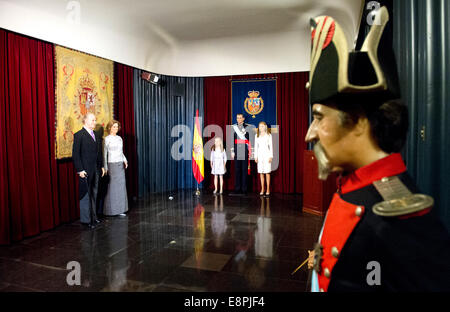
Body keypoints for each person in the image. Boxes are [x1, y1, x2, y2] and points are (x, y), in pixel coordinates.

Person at [304, 6, 450, 291]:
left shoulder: (400, 223)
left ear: (359, 122)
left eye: (319, 117)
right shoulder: (353, 184)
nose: (310, 134)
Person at [72, 113, 106, 228]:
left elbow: (99, 153)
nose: (94, 122)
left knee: (94, 194)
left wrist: (101, 166)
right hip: (85, 171)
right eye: (92, 120)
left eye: (95, 120)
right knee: (86, 195)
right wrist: (80, 170)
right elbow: (75, 155)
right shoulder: (79, 135)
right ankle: (86, 221)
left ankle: (94, 217)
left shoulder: (96, 135)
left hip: (96, 169)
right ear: (85, 121)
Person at [103, 120, 129, 217]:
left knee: (121, 187)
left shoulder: (119, 138)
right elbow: (104, 154)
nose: (116, 128)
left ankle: (121, 209)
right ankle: (111, 211)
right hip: (112, 165)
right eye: (114, 127)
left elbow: (120, 151)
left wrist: (125, 160)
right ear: (109, 128)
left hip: (119, 164)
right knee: (113, 188)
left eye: (117, 127)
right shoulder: (107, 139)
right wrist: (105, 167)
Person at [230, 113, 251, 195]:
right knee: (237, 170)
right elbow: (231, 139)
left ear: (243, 119)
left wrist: (250, 151)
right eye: (237, 118)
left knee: (244, 170)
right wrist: (232, 151)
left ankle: (244, 189)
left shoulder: (247, 127)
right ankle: (237, 188)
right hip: (236, 150)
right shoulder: (233, 127)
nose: (238, 119)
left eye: (240, 118)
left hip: (245, 150)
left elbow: (250, 139)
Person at [254, 121, 273, 196]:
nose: (261, 128)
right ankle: (262, 188)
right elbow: (256, 147)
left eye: (262, 126)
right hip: (260, 155)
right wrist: (256, 156)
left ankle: (268, 188)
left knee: (267, 172)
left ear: (265, 127)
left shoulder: (268, 135)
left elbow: (271, 146)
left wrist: (271, 156)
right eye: (260, 126)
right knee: (261, 173)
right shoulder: (257, 135)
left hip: (267, 155)